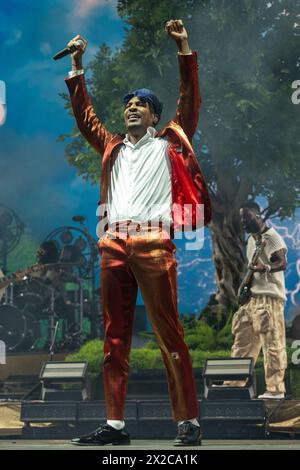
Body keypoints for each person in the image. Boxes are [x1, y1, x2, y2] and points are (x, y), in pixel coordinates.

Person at [65, 19, 211, 446]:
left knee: (169, 335)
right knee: (113, 338)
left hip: (152, 242)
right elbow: (85, 116)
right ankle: (114, 426)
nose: (130, 108)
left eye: (140, 104)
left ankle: (188, 422)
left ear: (154, 115)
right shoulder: (111, 146)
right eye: (127, 103)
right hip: (112, 244)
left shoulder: (169, 143)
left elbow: (190, 99)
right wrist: (77, 64)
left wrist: (184, 47)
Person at [229, 201, 288, 399]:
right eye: (242, 219)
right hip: (252, 298)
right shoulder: (251, 241)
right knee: (242, 342)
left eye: (247, 218)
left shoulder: (272, 238)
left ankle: (275, 390)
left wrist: (267, 268)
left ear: (258, 216)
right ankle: (235, 382)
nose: (244, 222)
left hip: (269, 298)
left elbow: (282, 262)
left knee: (272, 344)